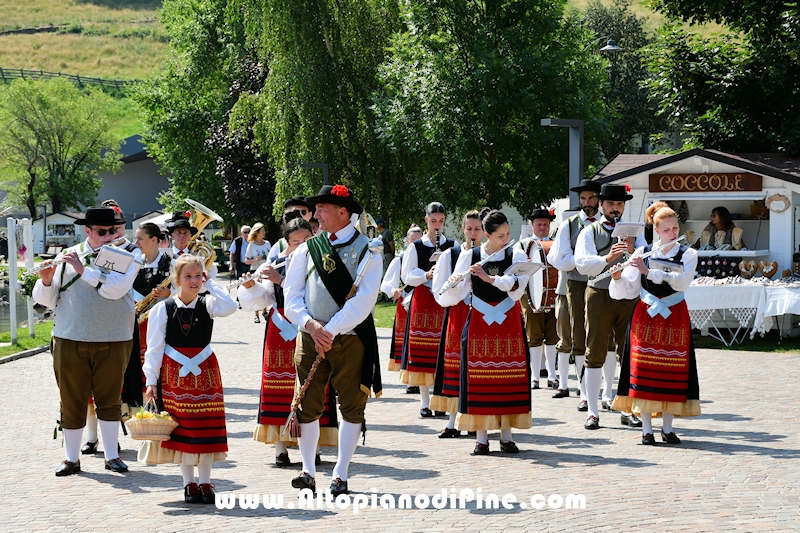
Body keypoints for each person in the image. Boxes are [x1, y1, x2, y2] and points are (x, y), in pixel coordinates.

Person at [283, 184, 382, 497]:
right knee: (307, 404)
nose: (315, 215)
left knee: (351, 405)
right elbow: (291, 295)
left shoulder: (369, 250)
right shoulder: (306, 249)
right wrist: (312, 325)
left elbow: (363, 302)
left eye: (322, 209)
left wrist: (332, 329)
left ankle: (341, 473)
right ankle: (308, 470)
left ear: (343, 212)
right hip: (311, 336)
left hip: (350, 338)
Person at [33, 206, 138, 476]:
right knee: (72, 399)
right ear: (88, 231)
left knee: (109, 399)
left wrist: (84, 271)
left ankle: (112, 456)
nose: (109, 236)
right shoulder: (67, 256)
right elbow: (47, 301)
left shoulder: (128, 255)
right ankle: (71, 458)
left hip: (114, 338)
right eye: (102, 232)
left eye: (113, 231)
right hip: (70, 337)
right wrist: (45, 282)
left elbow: (115, 290)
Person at [238, 217, 338, 466]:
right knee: (278, 384)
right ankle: (280, 447)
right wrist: (252, 285)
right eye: (296, 242)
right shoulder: (277, 263)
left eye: (307, 240)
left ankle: (312, 446)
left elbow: (316, 292)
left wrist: (279, 279)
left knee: (312, 382)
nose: (302, 245)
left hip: (311, 326)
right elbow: (262, 298)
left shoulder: (322, 263)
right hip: (281, 329)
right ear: (287, 242)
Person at [141, 254, 237, 503]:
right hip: (174, 375)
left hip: (205, 372)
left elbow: (231, 305)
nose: (193, 281)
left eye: (198, 276)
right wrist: (151, 380)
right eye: (188, 276)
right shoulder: (163, 308)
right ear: (177, 279)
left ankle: (205, 482)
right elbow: (154, 347)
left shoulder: (208, 303)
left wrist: (211, 285)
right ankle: (189, 484)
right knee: (183, 427)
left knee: (205, 425)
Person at [439, 209, 532, 454]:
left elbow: (516, 290)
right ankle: (481, 438)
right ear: (488, 235)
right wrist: (455, 283)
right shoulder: (471, 256)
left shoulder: (515, 253)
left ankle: (506, 436)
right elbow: (454, 297)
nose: (505, 239)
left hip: (508, 319)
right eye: (500, 235)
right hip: (480, 320)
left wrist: (491, 279)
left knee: (507, 379)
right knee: (479, 377)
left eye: (507, 234)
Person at [610, 202, 701, 444]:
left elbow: (681, 283)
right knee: (645, 371)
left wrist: (649, 272)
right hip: (646, 317)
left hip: (674, 316)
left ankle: (668, 428)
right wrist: (618, 277)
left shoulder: (688, 254)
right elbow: (628, 291)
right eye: (667, 229)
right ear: (657, 230)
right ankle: (647, 430)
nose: (673, 233)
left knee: (672, 370)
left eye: (675, 228)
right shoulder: (643, 254)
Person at [575, 183, 647, 430]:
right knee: (594, 350)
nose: (615, 208)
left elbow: (647, 257)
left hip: (628, 295)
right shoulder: (590, 231)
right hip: (599, 293)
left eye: (619, 204)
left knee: (628, 353)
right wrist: (607, 258)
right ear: (601, 205)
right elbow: (582, 264)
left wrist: (632, 250)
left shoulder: (636, 232)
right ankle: (593, 411)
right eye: (610, 204)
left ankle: (627, 409)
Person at [400, 202, 460, 418]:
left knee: (442, 350)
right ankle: (424, 402)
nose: (437, 226)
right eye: (433, 221)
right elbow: (406, 275)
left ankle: (440, 400)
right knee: (423, 351)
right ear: (426, 220)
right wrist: (427, 274)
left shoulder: (452, 245)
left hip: (444, 299)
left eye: (441, 221)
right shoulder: (416, 246)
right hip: (424, 299)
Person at [548, 179, 601, 408]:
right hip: (575, 285)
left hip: (602, 284)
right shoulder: (569, 225)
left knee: (600, 338)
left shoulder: (606, 225)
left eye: (591, 198)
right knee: (576, 335)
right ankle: (582, 391)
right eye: (583, 199)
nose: (586, 203)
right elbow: (558, 260)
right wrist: (585, 262)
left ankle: (602, 391)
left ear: (599, 199)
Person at [431, 211, 482, 438]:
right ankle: (452, 422)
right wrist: (453, 285)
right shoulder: (451, 255)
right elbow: (439, 292)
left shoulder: (490, 254)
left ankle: (475, 420)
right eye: (469, 229)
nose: (473, 233)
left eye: (477, 229)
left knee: (476, 366)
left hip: (482, 314)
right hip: (458, 313)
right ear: (462, 229)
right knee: (455, 366)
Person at [119, 222, 172, 420]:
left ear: (154, 240)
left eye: (140, 238)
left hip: (161, 324)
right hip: (135, 324)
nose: (136, 242)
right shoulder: (132, 263)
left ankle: (160, 413)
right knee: (134, 370)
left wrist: (169, 293)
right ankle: (138, 414)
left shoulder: (171, 262)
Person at [519, 209, 559, 391]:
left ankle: (552, 374)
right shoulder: (522, 245)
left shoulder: (557, 243)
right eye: (539, 224)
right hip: (530, 295)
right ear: (532, 225)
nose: (542, 227)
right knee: (534, 336)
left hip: (553, 295)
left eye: (545, 224)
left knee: (552, 335)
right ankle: (534, 376)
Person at [381, 225, 423, 375]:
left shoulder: (430, 258)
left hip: (426, 307)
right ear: (407, 241)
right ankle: (409, 377)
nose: (416, 245)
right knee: (407, 341)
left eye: (419, 241)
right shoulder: (400, 259)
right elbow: (385, 284)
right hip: (406, 304)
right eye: (413, 241)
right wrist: (393, 290)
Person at [268, 196, 314, 263]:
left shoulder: (321, 239)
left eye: (303, 212)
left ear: (310, 214)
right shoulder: (280, 245)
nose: (299, 216)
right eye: (296, 212)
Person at [245, 222, 272, 323]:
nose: (264, 232)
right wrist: (256, 260)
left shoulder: (268, 243)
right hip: (255, 270)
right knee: (256, 292)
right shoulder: (251, 245)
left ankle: (264, 311)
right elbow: (247, 261)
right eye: (262, 231)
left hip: (265, 271)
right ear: (257, 233)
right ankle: (256, 315)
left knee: (265, 291)